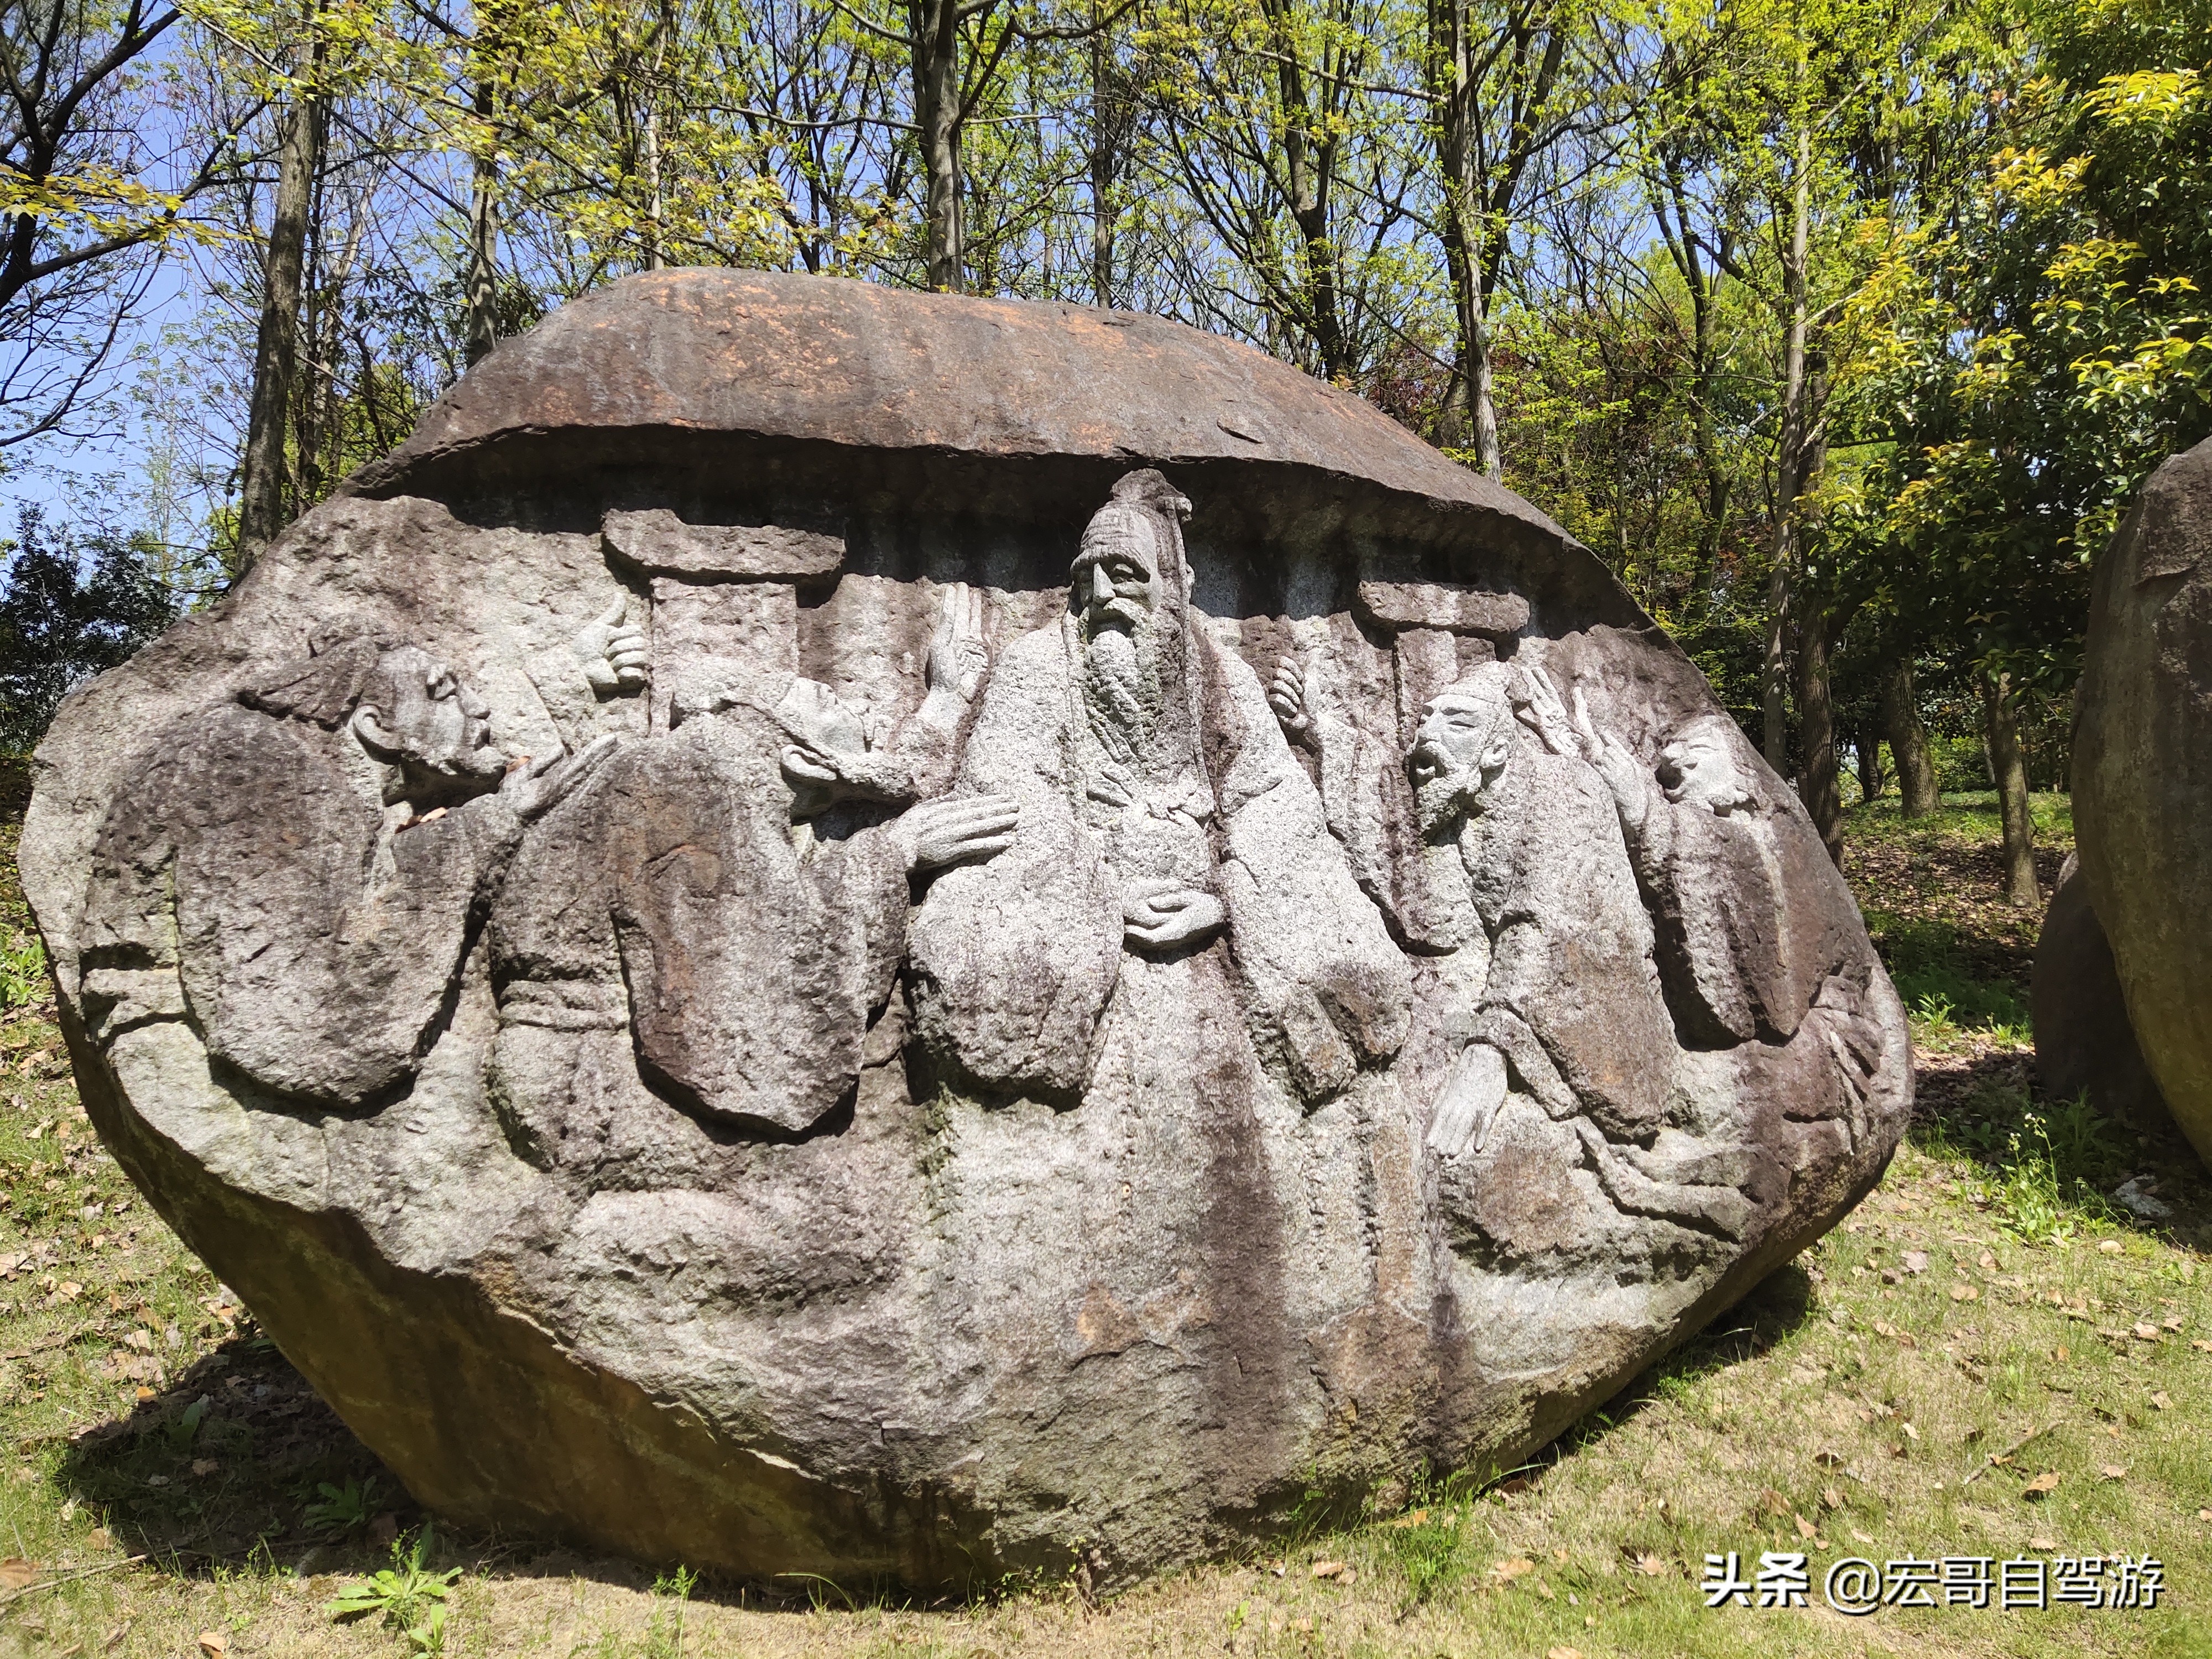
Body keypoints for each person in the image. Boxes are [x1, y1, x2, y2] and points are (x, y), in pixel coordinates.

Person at [905, 469, 1408, 1105]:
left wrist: (1226, 898)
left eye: (1124, 572)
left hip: (1211, 912)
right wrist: (1099, 891)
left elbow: (1277, 802)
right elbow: (1008, 794)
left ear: (1179, 585)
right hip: (1078, 916)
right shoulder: (1036, 665)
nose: (1099, 591)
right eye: (1085, 574)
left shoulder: (1223, 677)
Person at [486, 586, 1016, 1156]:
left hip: (600, 1084)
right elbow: (761, 962)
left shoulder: (714, 776)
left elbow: (885, 793)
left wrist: (948, 698)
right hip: (594, 1096)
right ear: (799, 759)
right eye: (826, 700)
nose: (861, 710)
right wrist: (895, 854)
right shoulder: (707, 771)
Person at [77, 629, 611, 1110]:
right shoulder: (262, 769)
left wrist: (565, 681)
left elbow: (491, 760)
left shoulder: (311, 774)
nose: (480, 707)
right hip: (208, 1083)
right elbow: (310, 1026)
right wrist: (496, 820)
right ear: (378, 729)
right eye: (446, 692)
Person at [1399, 664, 1676, 1159]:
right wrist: (1320, 732)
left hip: (1600, 1020)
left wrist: (1489, 1055)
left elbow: (1547, 925)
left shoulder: (1564, 790)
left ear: (1499, 751)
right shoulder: (1459, 796)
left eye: (1457, 724)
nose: (1428, 736)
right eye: (1425, 720)